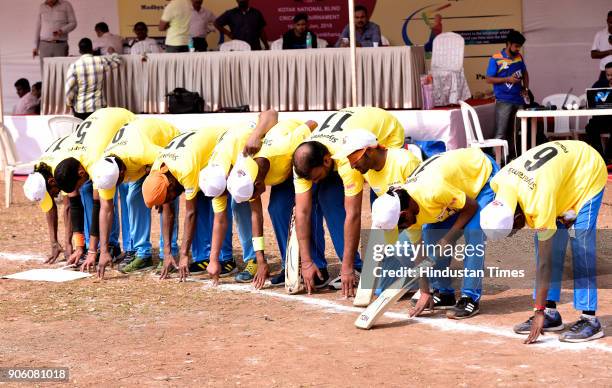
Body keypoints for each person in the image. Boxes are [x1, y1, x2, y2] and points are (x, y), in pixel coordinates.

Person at [480, 140, 607, 344]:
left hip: (586, 171)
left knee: (580, 243)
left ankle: (590, 319)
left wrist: (536, 311)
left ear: (518, 218)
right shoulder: (500, 184)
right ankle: (550, 313)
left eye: (512, 231)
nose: (514, 235)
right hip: (557, 180)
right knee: (547, 244)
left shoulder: (537, 201)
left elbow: (545, 263)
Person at [372, 148, 499, 319]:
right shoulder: (403, 206)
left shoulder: (433, 191)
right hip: (457, 187)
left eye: (401, 224)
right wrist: (425, 291)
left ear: (403, 214)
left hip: (482, 174)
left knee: (473, 232)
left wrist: (449, 237)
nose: (403, 227)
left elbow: (471, 207)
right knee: (431, 236)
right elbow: (419, 254)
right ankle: (444, 292)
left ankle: (470, 297)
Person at [291, 107, 405, 296]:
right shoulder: (302, 161)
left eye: (316, 177)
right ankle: (360, 267)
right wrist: (307, 262)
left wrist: (346, 268)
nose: (314, 182)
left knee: (385, 204)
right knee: (326, 196)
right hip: (347, 133)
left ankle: (396, 267)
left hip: (386, 133)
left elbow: (353, 214)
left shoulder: (347, 161)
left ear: (327, 162)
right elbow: (302, 212)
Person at [222, 119, 320, 288]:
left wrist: (300, 160)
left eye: (252, 196)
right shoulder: (247, 172)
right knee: (276, 209)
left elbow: (312, 123)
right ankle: (288, 265)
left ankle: (317, 265)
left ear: (259, 184)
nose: (252, 200)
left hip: (297, 162)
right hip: (280, 172)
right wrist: (260, 260)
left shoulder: (284, 147)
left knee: (309, 210)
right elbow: (256, 216)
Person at [85, 118, 181, 277]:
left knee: (166, 198)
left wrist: (162, 196)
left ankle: (169, 253)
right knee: (132, 198)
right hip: (143, 157)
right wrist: (102, 251)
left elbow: (168, 166)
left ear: (122, 173)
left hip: (167, 144)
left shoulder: (139, 152)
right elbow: (106, 209)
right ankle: (143, 253)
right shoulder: (104, 169)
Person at [142, 127, 235, 281]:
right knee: (201, 199)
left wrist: (184, 254)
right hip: (196, 152)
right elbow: (167, 211)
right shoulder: (157, 171)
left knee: (218, 196)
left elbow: (190, 213)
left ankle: (226, 258)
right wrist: (167, 253)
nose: (170, 201)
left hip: (220, 144)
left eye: (169, 197)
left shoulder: (185, 169)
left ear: (170, 184)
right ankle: (204, 256)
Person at [199, 111, 279, 284]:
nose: (222, 197)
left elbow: (271, 113)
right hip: (239, 156)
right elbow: (219, 221)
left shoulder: (244, 161)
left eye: (224, 194)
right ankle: (253, 259)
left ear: (229, 177)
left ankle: (255, 260)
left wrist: (261, 258)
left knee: (243, 207)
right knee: (236, 206)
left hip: (276, 156)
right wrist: (213, 260)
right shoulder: (215, 175)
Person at [53, 108, 135, 266]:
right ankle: (101, 244)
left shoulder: (94, 161)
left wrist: (94, 251)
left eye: (77, 182)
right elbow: (74, 205)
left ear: (81, 172)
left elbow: (102, 205)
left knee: (122, 189)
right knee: (84, 189)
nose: (77, 186)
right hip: (101, 125)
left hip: (124, 122)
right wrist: (79, 247)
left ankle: (119, 246)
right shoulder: (66, 164)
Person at [23, 135, 76, 264]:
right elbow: (49, 207)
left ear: (52, 181)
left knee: (79, 200)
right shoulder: (40, 175)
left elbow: (68, 207)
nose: (54, 195)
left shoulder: (60, 170)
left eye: (51, 193)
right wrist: (54, 243)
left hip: (75, 153)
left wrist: (68, 243)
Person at [486, 29, 529, 159]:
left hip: (519, 100)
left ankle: (512, 158)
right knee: (501, 132)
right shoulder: (495, 58)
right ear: (508, 44)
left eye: (520, 47)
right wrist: (507, 79)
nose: (518, 49)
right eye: (516, 46)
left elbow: (525, 73)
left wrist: (525, 89)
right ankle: (497, 161)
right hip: (503, 100)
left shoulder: (519, 57)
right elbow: (488, 79)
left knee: (515, 132)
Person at [65, 38, 122, 120]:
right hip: (98, 108)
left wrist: (70, 103)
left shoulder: (74, 66)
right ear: (92, 49)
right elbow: (118, 61)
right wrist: (113, 53)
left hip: (81, 109)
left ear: (80, 51)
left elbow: (68, 90)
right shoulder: (101, 61)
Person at [33, 0, 77, 70]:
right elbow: (38, 27)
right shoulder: (42, 6)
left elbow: (73, 23)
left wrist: (62, 30)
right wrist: (35, 46)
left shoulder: (66, 5)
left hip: (60, 45)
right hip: (44, 45)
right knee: (45, 72)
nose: (48, 1)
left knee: (60, 72)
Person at [585, 61, 612, 164]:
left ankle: (609, 156)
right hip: (601, 119)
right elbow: (590, 97)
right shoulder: (600, 84)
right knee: (590, 127)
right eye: (608, 75)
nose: (610, 77)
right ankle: (600, 156)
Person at [590, 11, 612, 83]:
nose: (611, 25)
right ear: (607, 21)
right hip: (605, 73)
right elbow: (593, 54)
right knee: (598, 92)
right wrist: (609, 52)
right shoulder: (600, 34)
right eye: (610, 22)